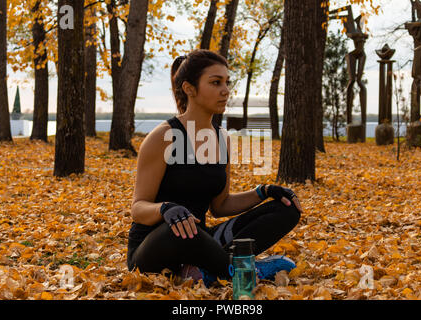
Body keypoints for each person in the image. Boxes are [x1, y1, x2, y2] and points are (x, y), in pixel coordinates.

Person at [127, 49, 303, 286]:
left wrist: (264, 191)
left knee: (287, 209)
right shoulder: (163, 137)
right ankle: (241, 271)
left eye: (227, 83)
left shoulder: (221, 138)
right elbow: (138, 208)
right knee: (179, 229)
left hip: (201, 241)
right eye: (215, 82)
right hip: (156, 248)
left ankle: (204, 271)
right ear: (189, 88)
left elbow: (221, 206)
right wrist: (165, 209)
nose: (225, 91)